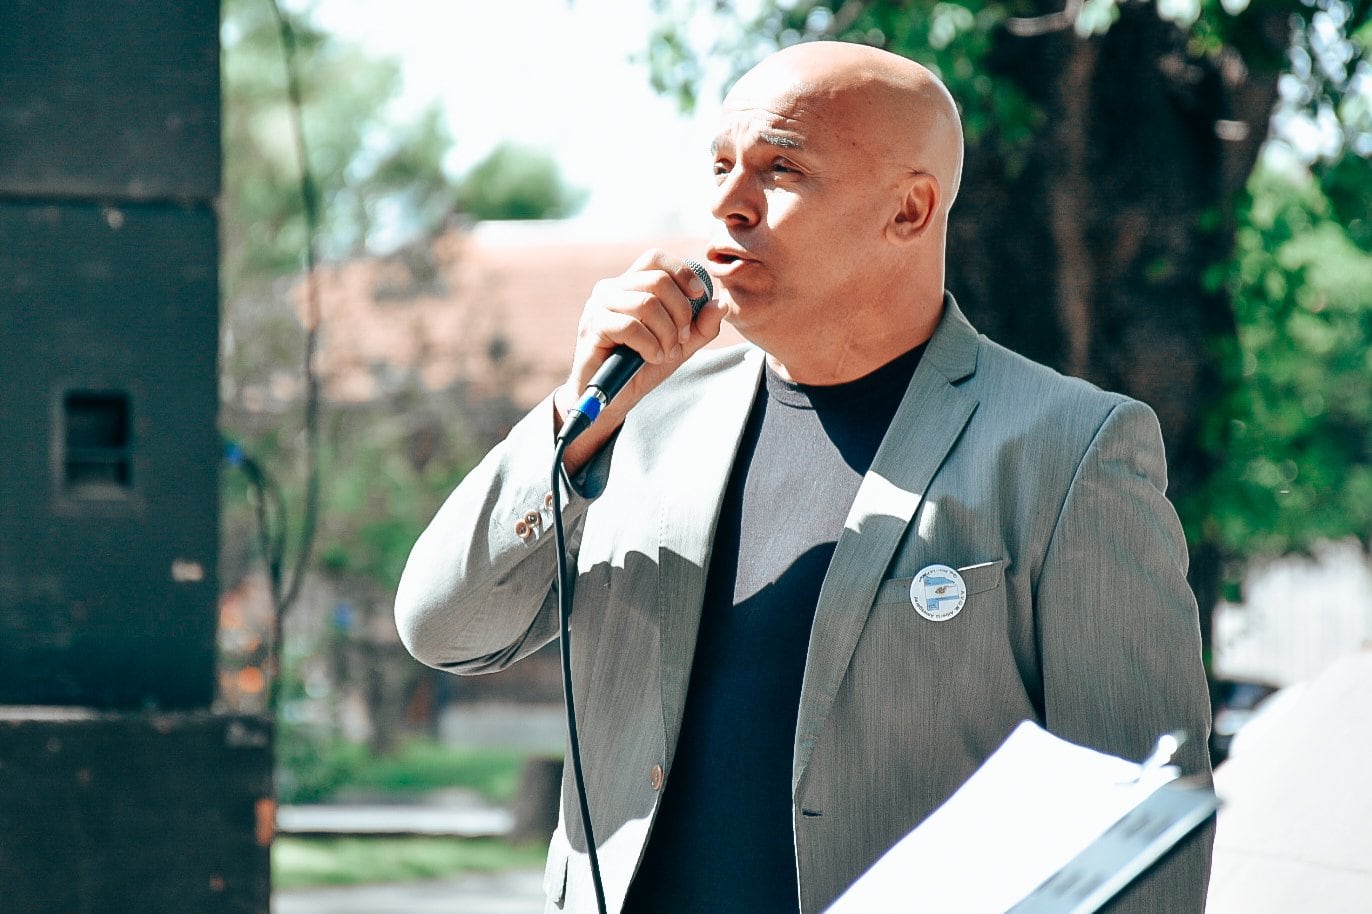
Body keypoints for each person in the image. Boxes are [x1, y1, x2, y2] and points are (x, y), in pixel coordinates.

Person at [395, 41, 1212, 914]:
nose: (728, 203)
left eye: (781, 169)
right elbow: (443, 629)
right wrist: (572, 417)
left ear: (910, 209)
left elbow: (1142, 811)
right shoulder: (637, 416)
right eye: (719, 166)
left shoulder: (1069, 449)